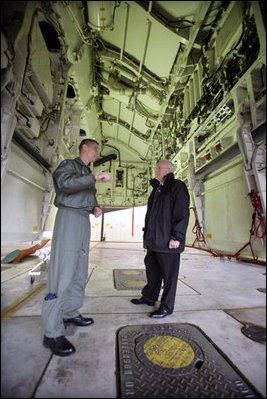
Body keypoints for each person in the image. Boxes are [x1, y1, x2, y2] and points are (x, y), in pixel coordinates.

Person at [41, 138, 113, 356]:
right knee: (63, 270)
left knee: (79, 269)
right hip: (69, 218)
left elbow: (86, 195)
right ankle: (51, 333)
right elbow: (64, 185)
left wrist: (95, 207)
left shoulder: (85, 172)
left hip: (82, 220)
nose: (97, 154)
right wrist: (94, 177)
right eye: (96, 150)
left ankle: (70, 312)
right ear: (85, 148)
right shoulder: (69, 166)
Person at [131, 159, 190, 318]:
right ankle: (150, 297)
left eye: (159, 168)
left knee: (169, 276)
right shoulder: (157, 188)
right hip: (154, 241)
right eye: (156, 167)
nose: (156, 170)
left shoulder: (177, 186)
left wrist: (177, 237)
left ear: (168, 170)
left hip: (168, 242)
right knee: (152, 270)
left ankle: (166, 306)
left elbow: (182, 213)